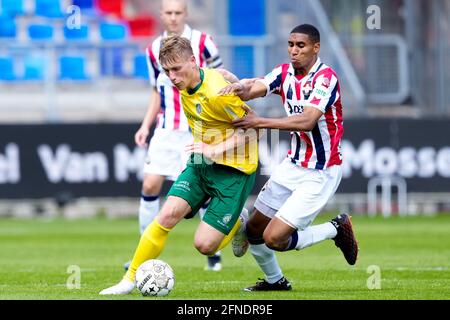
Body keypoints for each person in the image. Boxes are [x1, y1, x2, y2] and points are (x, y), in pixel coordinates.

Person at [99, 35, 259, 295]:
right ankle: (128, 280)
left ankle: (240, 222)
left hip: (235, 170)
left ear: (193, 62)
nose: (172, 77)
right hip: (201, 163)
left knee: (205, 246)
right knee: (166, 215)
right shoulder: (190, 81)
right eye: (167, 71)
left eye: (176, 69)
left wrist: (214, 148)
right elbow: (213, 74)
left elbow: (254, 132)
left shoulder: (220, 94)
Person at [219, 24, 359, 291]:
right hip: (292, 165)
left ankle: (335, 228)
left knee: (274, 239)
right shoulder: (284, 73)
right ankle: (276, 282)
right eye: (291, 45)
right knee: (253, 231)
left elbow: (307, 121)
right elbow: (255, 87)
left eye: (301, 46)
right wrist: (235, 85)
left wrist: (259, 121)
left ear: (315, 48)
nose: (294, 51)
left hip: (320, 172)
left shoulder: (325, 78)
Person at [132, 0, 227, 272]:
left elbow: (220, 77)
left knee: (202, 191)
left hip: (196, 127)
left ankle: (213, 254)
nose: (173, 18)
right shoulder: (153, 49)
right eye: (168, 13)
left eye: (178, 13)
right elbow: (155, 90)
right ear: (161, 15)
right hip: (166, 128)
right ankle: (145, 252)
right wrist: (144, 125)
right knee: (150, 184)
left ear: (185, 14)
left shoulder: (204, 43)